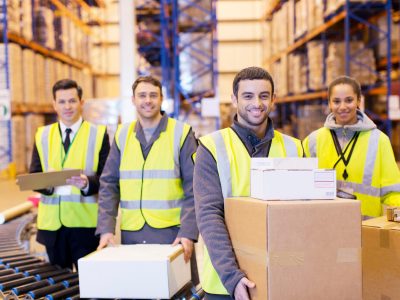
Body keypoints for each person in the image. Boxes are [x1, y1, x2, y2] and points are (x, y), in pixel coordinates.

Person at [194, 66, 303, 300]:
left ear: (273, 99)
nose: (257, 103)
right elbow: (209, 215)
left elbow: (302, 215)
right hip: (226, 285)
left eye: (264, 96)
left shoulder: (295, 147)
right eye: (248, 96)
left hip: (283, 278)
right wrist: (232, 277)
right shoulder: (212, 148)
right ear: (234, 99)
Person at [96, 75, 199, 283]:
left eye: (153, 95)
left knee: (177, 291)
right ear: (133, 100)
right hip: (132, 233)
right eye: (142, 95)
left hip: (171, 235)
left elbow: (195, 188)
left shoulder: (181, 133)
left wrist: (188, 232)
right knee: (137, 289)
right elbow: (109, 184)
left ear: (161, 99)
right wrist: (106, 229)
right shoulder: (122, 135)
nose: (148, 100)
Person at [29, 79, 110, 269]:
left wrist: (87, 183)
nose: (67, 106)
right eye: (62, 101)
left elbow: (108, 179)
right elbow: (34, 175)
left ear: (81, 103)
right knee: (58, 288)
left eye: (72, 101)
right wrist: (46, 181)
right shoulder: (42, 135)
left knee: (89, 289)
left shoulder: (98, 134)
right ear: (54, 104)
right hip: (53, 229)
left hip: (85, 226)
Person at [303, 75, 400, 218]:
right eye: (336, 101)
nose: (343, 107)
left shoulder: (379, 140)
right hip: (324, 225)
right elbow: (303, 187)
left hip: (366, 230)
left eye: (349, 100)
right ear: (329, 103)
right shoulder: (313, 141)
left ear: (359, 101)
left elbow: (393, 192)